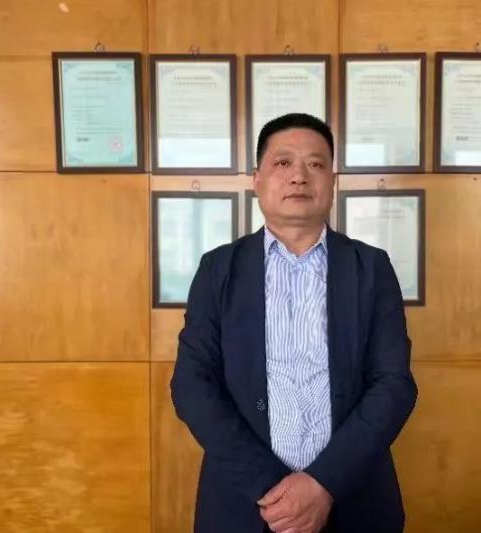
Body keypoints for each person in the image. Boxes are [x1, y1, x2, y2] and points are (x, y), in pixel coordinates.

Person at [171, 113, 417, 533]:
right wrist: (274, 489)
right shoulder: (218, 269)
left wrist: (323, 484)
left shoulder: (371, 268)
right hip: (246, 505)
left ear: (332, 182)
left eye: (315, 164)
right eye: (283, 162)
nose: (299, 176)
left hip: (353, 501)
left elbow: (393, 384)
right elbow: (192, 386)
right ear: (257, 180)